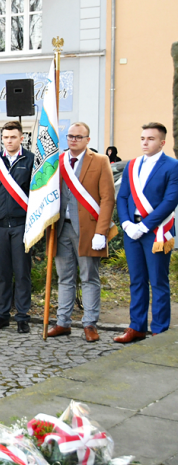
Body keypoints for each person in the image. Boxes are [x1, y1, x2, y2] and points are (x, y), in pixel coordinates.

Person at [46, 122, 116, 342]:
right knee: (65, 278)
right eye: (70, 136)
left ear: (88, 140)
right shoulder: (58, 162)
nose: (73, 140)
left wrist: (101, 231)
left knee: (89, 277)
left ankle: (89, 323)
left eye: (78, 136)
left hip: (88, 230)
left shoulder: (101, 161)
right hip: (61, 228)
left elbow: (107, 199)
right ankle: (63, 322)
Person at [115, 122, 178, 342]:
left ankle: (159, 331)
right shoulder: (132, 165)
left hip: (156, 231)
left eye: (150, 139)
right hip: (131, 230)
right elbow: (122, 197)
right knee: (137, 280)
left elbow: (170, 200)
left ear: (162, 142)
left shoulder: (172, 166)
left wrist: (144, 226)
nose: (145, 142)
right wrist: (126, 224)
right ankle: (137, 326)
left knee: (158, 281)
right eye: (142, 138)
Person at [0, 121, 34, 334]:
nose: (9, 141)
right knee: (2, 273)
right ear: (1, 139)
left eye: (13, 137)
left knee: (22, 273)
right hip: (0, 226)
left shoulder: (31, 160)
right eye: (5, 137)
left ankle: (22, 317)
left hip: (22, 224)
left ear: (21, 138)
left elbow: (35, 193)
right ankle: (2, 315)